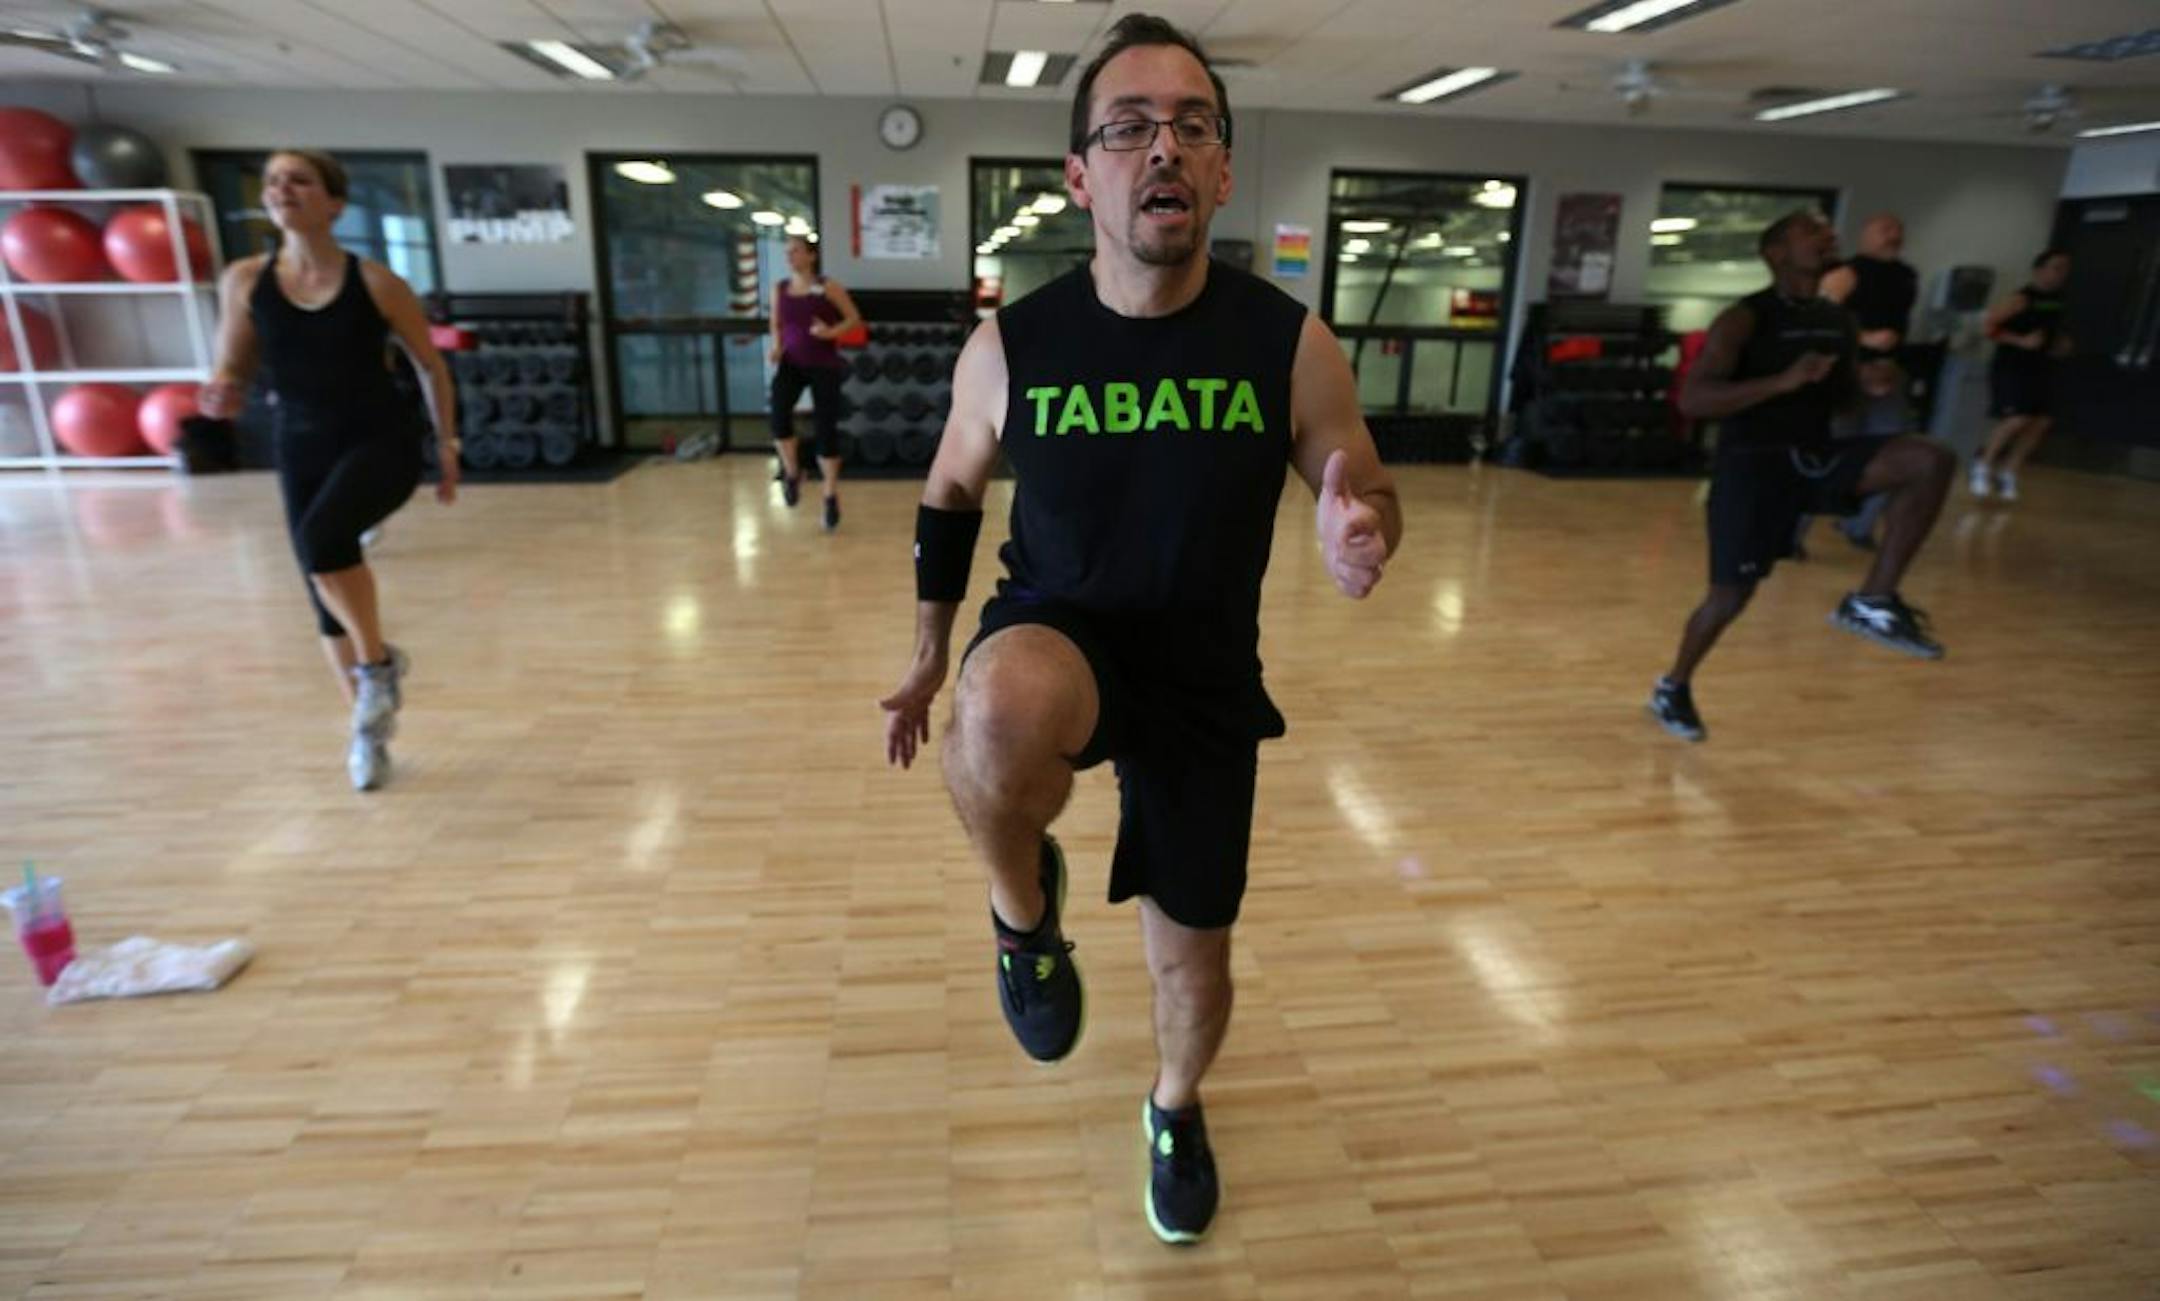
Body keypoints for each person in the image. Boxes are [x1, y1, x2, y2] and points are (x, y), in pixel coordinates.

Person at [877, 13, 1400, 1245]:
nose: (1161, 147)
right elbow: (951, 491)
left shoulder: (1288, 341)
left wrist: (1360, 525)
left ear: (1222, 169)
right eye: (1127, 127)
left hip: (1206, 677)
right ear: (1080, 175)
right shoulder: (1016, 343)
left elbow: (1360, 479)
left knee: (1192, 968)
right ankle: (1025, 914)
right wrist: (921, 652)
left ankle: (1174, 1103)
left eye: (1192, 126)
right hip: (1062, 635)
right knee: (992, 709)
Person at [201, 149, 459, 791]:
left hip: (381, 439)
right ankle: (367, 733)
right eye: (272, 181)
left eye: (299, 180)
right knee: (322, 594)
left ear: (334, 203)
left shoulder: (375, 283)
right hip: (300, 443)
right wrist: (223, 389)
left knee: (322, 545)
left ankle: (376, 669)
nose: (282, 189)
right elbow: (231, 364)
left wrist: (448, 444)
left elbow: (431, 365)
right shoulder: (244, 280)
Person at [1647, 210, 1953, 743]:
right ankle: (1673, 686)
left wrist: (1868, 381)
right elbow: (1696, 399)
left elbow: (1843, 397)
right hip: (1753, 470)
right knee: (1728, 600)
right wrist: (1782, 382)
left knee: (1930, 459)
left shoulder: (1838, 321)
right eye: (1809, 232)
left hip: (1817, 456)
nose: (1827, 236)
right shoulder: (1744, 319)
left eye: (1829, 230)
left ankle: (1873, 599)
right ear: (1776, 253)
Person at [1812, 212, 1920, 550]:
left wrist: (1887, 362)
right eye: (1885, 229)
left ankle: (1858, 526)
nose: (1893, 235)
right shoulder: (1844, 274)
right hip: (1846, 374)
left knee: (1889, 450)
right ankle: (1791, 531)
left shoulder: (1906, 276)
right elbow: (1822, 318)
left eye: (1898, 229)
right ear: (1867, 234)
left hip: (1888, 376)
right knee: (1825, 451)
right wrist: (1866, 341)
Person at [768, 233, 862, 530]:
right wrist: (776, 345)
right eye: (788, 252)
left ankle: (830, 496)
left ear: (811, 256)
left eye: (795, 251)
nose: (790, 256)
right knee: (778, 415)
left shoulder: (827, 287)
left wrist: (830, 333)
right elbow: (777, 323)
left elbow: (853, 319)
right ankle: (793, 471)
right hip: (791, 363)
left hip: (824, 365)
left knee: (826, 431)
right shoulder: (780, 288)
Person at [1971, 249, 2072, 503]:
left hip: (2041, 365)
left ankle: (2009, 471)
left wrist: (2060, 343)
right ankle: (1983, 464)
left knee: (2040, 422)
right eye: (2056, 267)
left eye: (2064, 269)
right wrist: (2020, 340)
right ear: (2039, 270)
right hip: (2012, 365)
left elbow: (2051, 330)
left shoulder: (2059, 300)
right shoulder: (2020, 298)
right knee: (2017, 418)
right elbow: (1988, 326)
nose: (2061, 274)